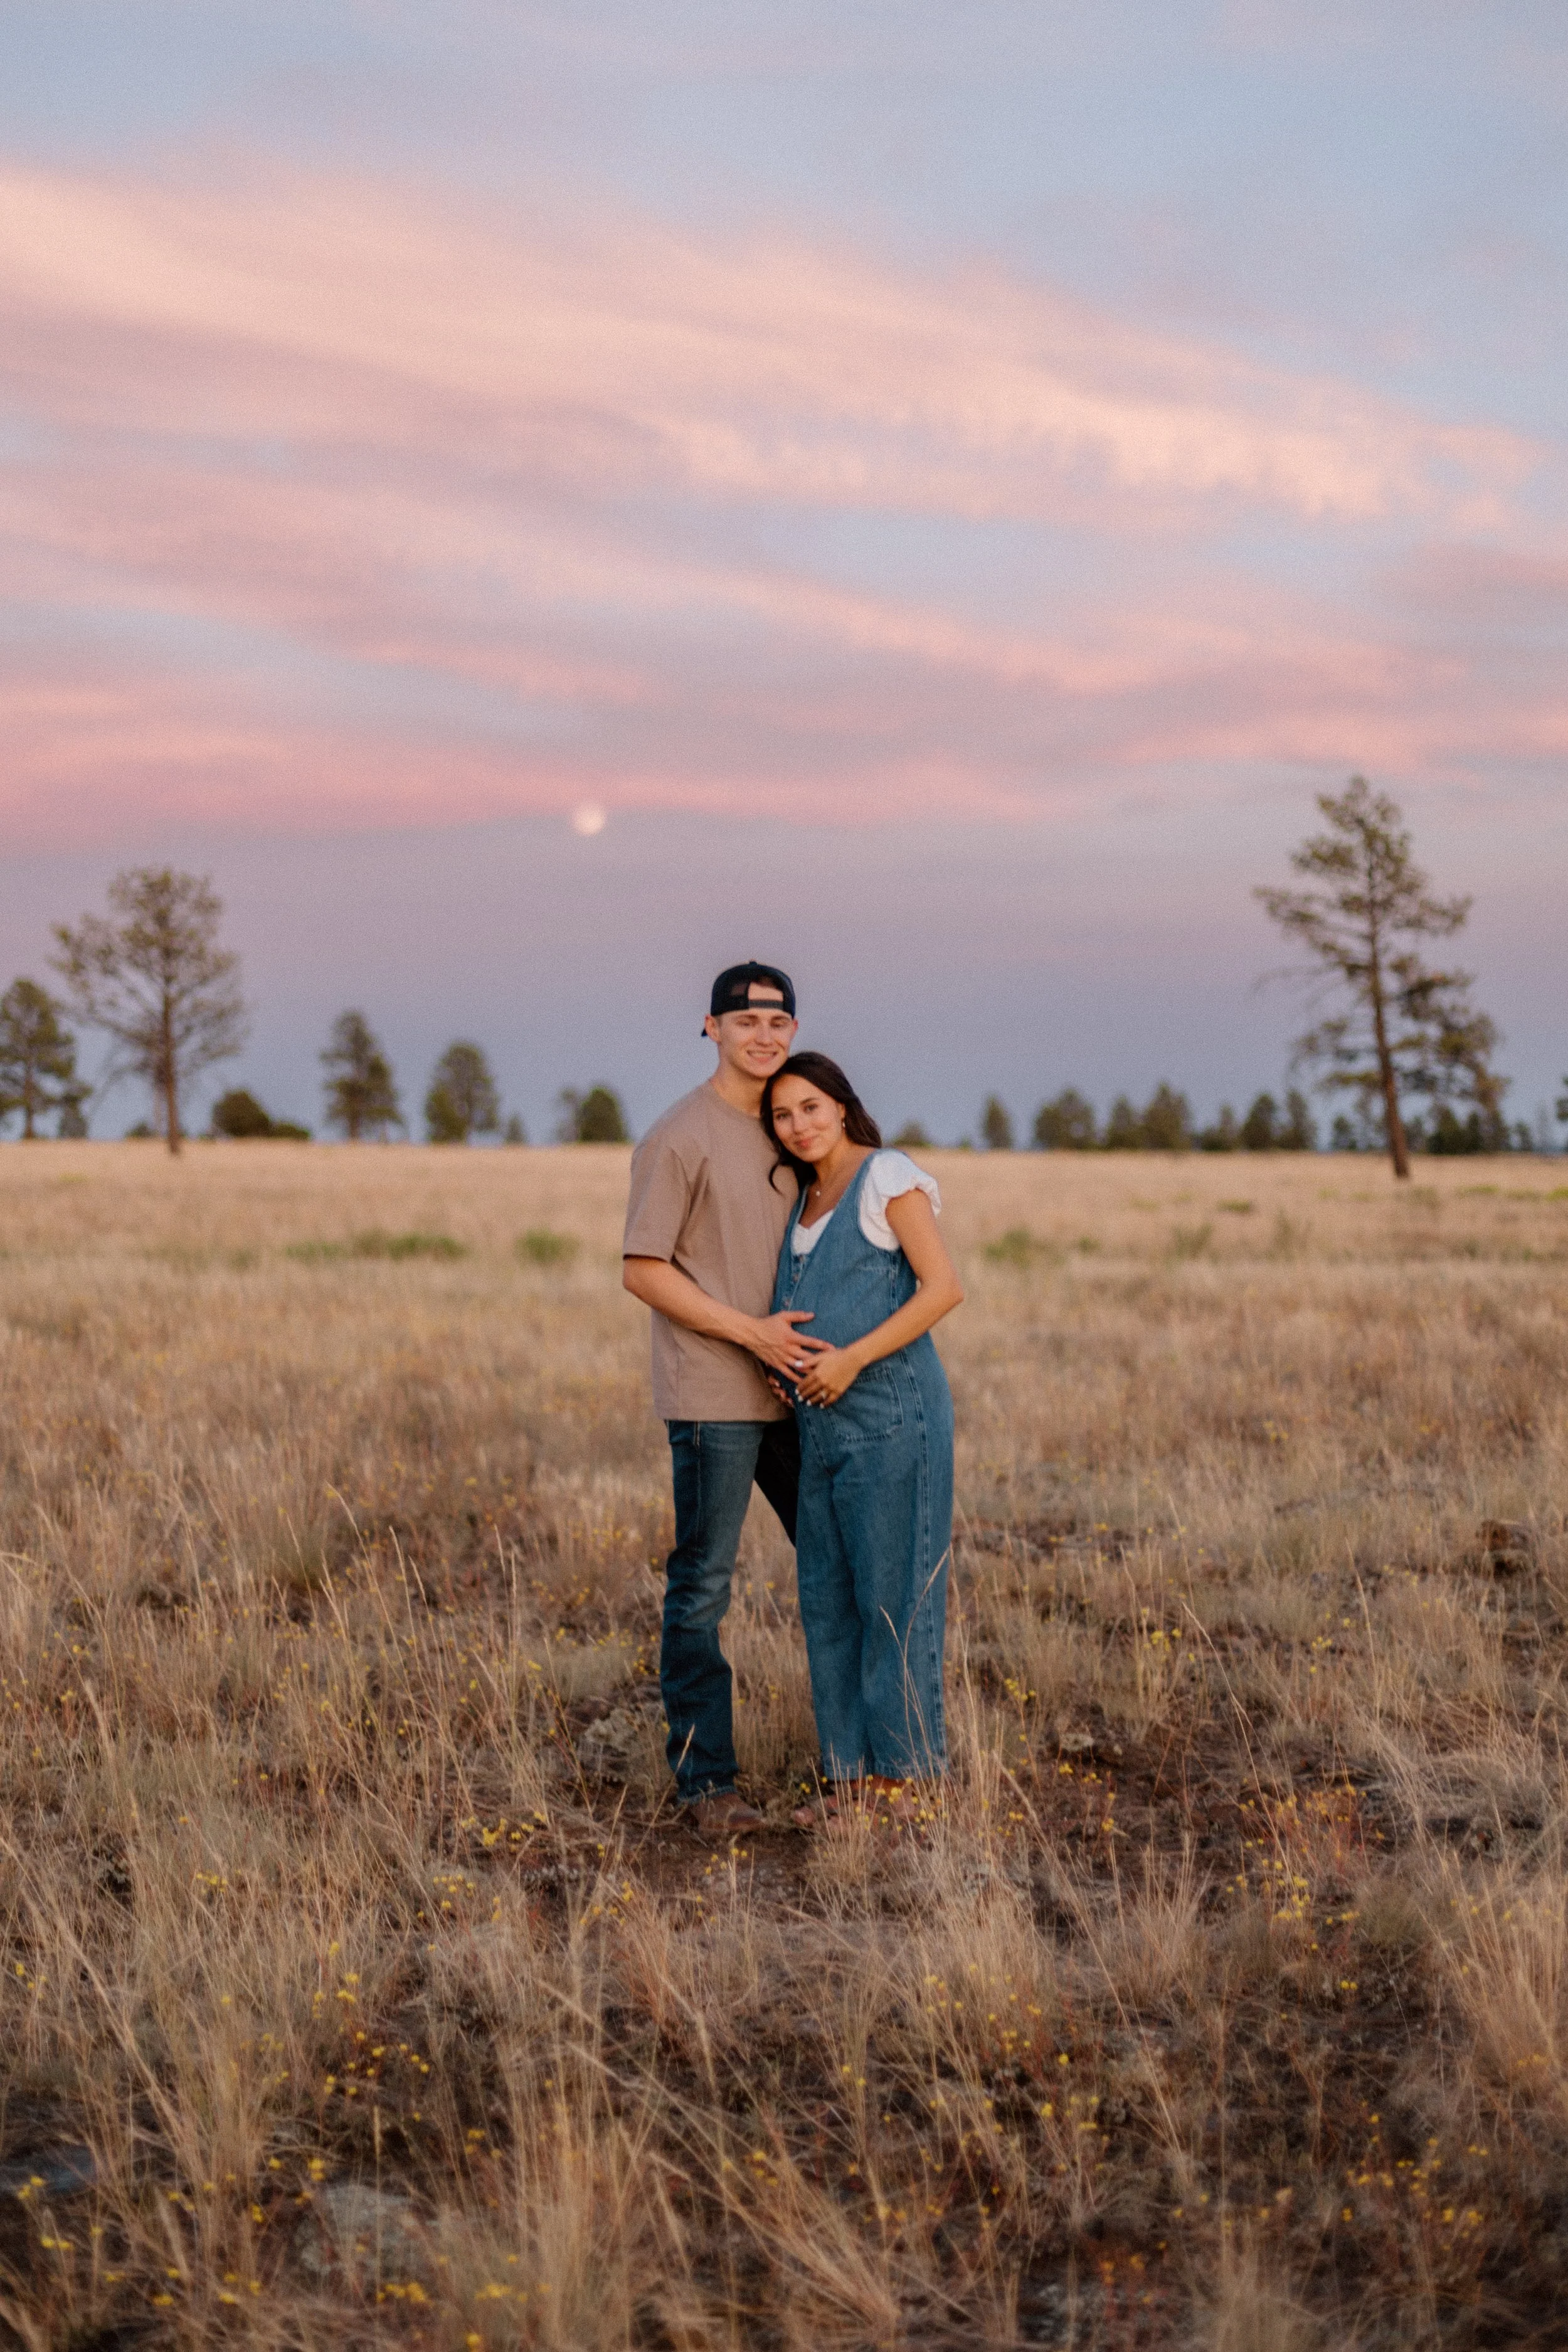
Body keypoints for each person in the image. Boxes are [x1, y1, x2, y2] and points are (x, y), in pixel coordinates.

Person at [622, 963, 817, 1841]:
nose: (765, 1033)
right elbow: (643, 1269)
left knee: (843, 1559)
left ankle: (863, 1761)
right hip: (716, 1393)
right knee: (702, 1587)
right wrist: (753, 1334)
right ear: (712, 1028)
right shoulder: (681, 1135)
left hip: (801, 1389)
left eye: (779, 1018)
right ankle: (707, 1784)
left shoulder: (791, 1126)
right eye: (747, 1019)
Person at [761, 1052, 963, 1825]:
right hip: (820, 1426)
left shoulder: (886, 1176)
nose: (799, 1125)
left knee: (893, 1601)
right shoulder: (806, 1199)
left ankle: (905, 1788)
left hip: (891, 1416)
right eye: (782, 1116)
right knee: (829, 1600)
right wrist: (790, 1365)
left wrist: (849, 1359)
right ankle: (847, 1783)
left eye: (810, 1107)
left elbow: (943, 1287)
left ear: (841, 1105)